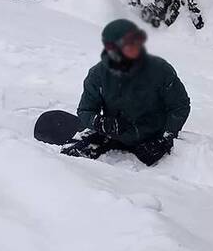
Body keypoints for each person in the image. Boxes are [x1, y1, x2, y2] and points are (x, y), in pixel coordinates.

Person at [62, 18, 190, 166]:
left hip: (152, 137)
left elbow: (180, 106)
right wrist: (99, 122)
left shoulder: (160, 70)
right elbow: (85, 110)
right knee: (72, 159)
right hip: (115, 136)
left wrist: (166, 138)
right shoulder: (98, 74)